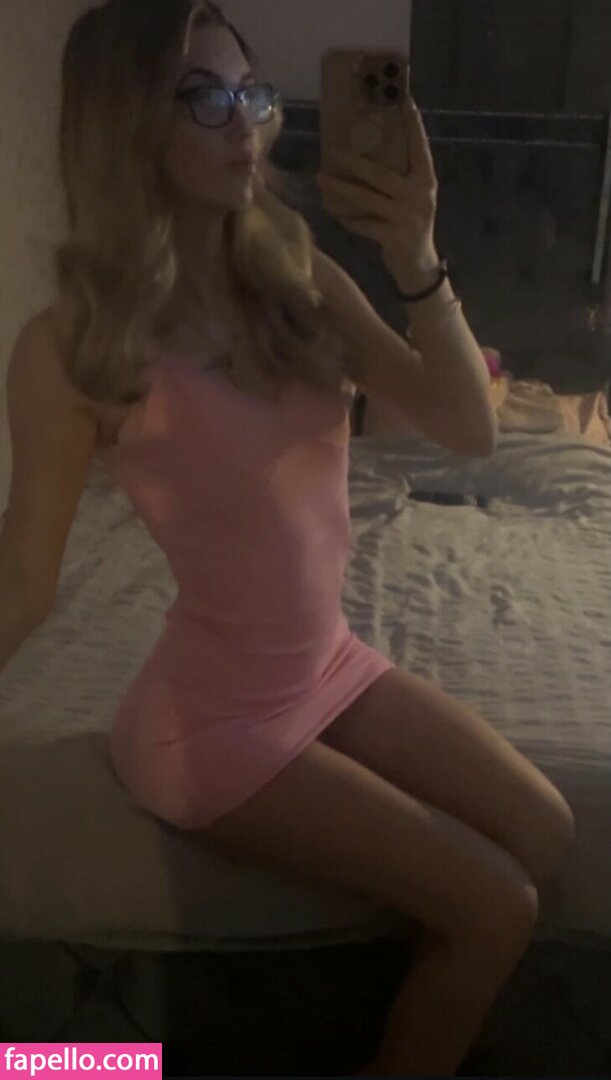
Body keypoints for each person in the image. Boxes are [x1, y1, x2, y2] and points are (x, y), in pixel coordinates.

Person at [3, 0, 574, 1074]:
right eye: (201, 97)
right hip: (209, 726)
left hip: (327, 667)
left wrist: (415, 253)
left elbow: (467, 428)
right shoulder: (71, 344)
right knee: (498, 906)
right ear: (124, 123)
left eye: (250, 93)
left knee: (545, 830)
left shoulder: (293, 272)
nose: (243, 123)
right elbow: (25, 583)